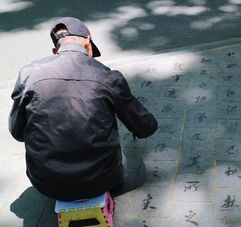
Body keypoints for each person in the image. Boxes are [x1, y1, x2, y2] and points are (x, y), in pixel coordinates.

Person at [8, 17, 158, 201]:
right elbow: (146, 128)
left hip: (46, 184)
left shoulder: (28, 74)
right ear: (88, 42)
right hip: (102, 181)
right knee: (121, 153)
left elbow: (17, 133)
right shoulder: (108, 77)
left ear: (55, 51)